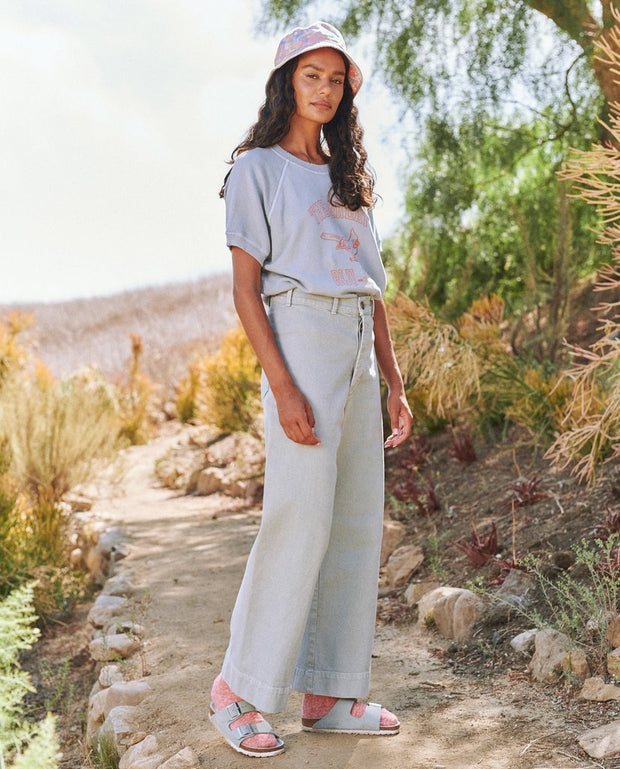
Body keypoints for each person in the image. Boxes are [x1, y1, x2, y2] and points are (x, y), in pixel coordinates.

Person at [210, 21, 413, 758]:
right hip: (299, 337)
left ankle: (328, 689)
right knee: (298, 516)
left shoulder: (346, 178)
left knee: (356, 519)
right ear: (286, 82)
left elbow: (375, 290)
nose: (324, 90)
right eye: (311, 76)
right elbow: (244, 290)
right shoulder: (256, 171)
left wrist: (394, 381)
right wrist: (283, 385)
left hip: (358, 342)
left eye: (336, 79)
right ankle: (239, 687)